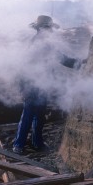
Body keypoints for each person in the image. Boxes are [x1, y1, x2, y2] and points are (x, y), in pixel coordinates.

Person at [12, 15, 77, 154]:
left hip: (42, 83)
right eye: (49, 28)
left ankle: (36, 143)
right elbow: (62, 59)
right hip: (32, 83)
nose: (51, 32)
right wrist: (78, 63)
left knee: (39, 115)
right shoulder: (42, 43)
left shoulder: (38, 42)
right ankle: (19, 144)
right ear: (42, 29)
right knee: (29, 114)